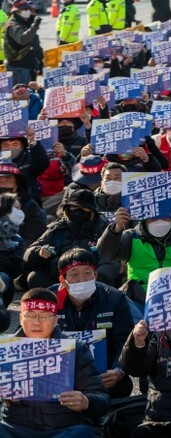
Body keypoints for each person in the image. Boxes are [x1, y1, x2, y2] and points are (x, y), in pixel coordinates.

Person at [0, 288, 110, 438]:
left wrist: (86, 401)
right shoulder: (5, 349)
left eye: (44, 316)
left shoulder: (75, 348)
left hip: (63, 428)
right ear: (20, 319)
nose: (37, 322)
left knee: (83, 433)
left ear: (56, 320)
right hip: (14, 427)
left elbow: (102, 398)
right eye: (30, 316)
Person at [52, 248, 137, 398]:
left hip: (102, 373)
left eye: (87, 273)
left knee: (122, 386)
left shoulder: (114, 298)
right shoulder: (49, 300)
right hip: (59, 373)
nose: (82, 280)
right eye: (74, 274)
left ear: (95, 275)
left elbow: (125, 339)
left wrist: (118, 369)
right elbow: (28, 336)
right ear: (62, 280)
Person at [97, 205, 171, 307]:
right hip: (139, 300)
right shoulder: (131, 237)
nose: (159, 221)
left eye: (165, 216)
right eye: (153, 217)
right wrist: (116, 228)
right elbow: (106, 252)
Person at [21, 188, 109, 289]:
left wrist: (98, 281)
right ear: (67, 210)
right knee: (34, 277)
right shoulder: (57, 227)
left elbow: (109, 260)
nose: (78, 211)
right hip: (59, 280)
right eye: (74, 207)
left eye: (85, 208)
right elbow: (30, 252)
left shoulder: (102, 230)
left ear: (93, 212)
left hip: (90, 281)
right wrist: (39, 253)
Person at [2, 0, 42, 86]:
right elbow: (22, 39)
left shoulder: (24, 22)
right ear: (16, 11)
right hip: (18, 67)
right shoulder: (13, 25)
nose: (28, 11)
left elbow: (34, 41)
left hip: (27, 65)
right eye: (25, 9)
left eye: (29, 9)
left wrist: (39, 58)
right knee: (21, 94)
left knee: (28, 93)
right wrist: (34, 26)